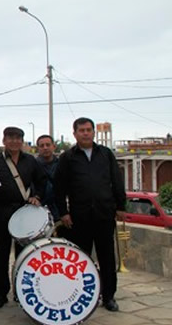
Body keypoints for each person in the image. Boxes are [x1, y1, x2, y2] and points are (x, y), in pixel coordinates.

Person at [54, 117, 126, 312]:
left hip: (104, 214)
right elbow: (59, 188)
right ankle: (82, 295)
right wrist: (64, 213)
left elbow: (117, 181)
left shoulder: (106, 154)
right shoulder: (67, 157)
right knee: (81, 260)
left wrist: (121, 206)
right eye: (81, 130)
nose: (86, 133)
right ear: (75, 133)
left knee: (107, 258)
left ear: (94, 132)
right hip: (79, 217)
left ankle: (109, 296)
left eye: (89, 130)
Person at [0, 126, 47, 309]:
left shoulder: (31, 161)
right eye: (10, 138)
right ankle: (0, 294)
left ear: (22, 141)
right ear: (4, 140)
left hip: (25, 211)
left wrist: (37, 196)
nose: (14, 141)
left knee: (25, 255)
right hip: (1, 211)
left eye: (18, 138)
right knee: (0, 255)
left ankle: (22, 291)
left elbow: (42, 181)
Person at [36, 134, 60, 221]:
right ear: (38, 148)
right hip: (39, 210)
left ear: (54, 146)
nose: (45, 148)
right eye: (42, 146)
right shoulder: (32, 166)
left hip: (59, 209)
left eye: (48, 145)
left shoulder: (62, 164)